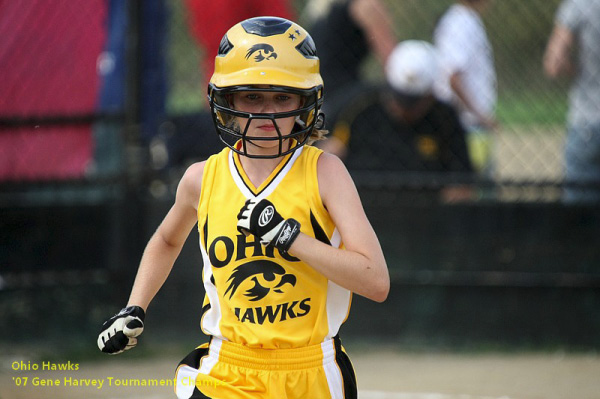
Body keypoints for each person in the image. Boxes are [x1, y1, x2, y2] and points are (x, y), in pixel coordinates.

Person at [97, 16, 389, 399]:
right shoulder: (202, 178)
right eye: (252, 96)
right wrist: (135, 306)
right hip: (227, 369)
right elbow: (167, 241)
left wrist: (291, 239)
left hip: (310, 373)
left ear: (306, 101)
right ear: (226, 101)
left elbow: (375, 281)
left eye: (282, 97)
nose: (266, 112)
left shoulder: (324, 173)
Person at [320, 40, 473, 201]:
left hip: (423, 215)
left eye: (412, 102)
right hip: (362, 208)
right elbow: (323, 157)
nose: (402, 109)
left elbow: (462, 183)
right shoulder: (359, 105)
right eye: (398, 98)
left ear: (430, 96)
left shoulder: (444, 119)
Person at [543, 0, 600, 203]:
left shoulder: (579, 4)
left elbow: (554, 62)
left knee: (579, 215)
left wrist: (577, 70)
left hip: (587, 119)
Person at [433, 0, 497, 175]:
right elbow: (453, 78)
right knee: (475, 188)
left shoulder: (466, 19)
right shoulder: (461, 23)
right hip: (466, 125)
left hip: (469, 123)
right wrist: (479, 115)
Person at [307, 0, 397, 116]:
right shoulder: (366, 5)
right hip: (342, 97)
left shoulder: (324, 7)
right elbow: (392, 60)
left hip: (314, 94)